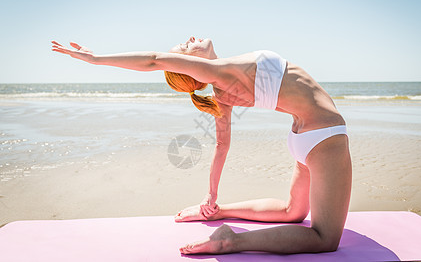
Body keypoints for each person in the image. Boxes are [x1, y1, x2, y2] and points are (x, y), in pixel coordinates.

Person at [51, 37, 351, 255]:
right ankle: (233, 241)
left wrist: (212, 199)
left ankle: (221, 214)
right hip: (324, 135)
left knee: (292, 212)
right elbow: (154, 60)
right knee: (325, 238)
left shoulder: (223, 91)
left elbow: (222, 145)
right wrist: (96, 58)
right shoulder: (221, 71)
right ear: (193, 69)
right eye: (184, 48)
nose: (188, 40)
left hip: (304, 135)